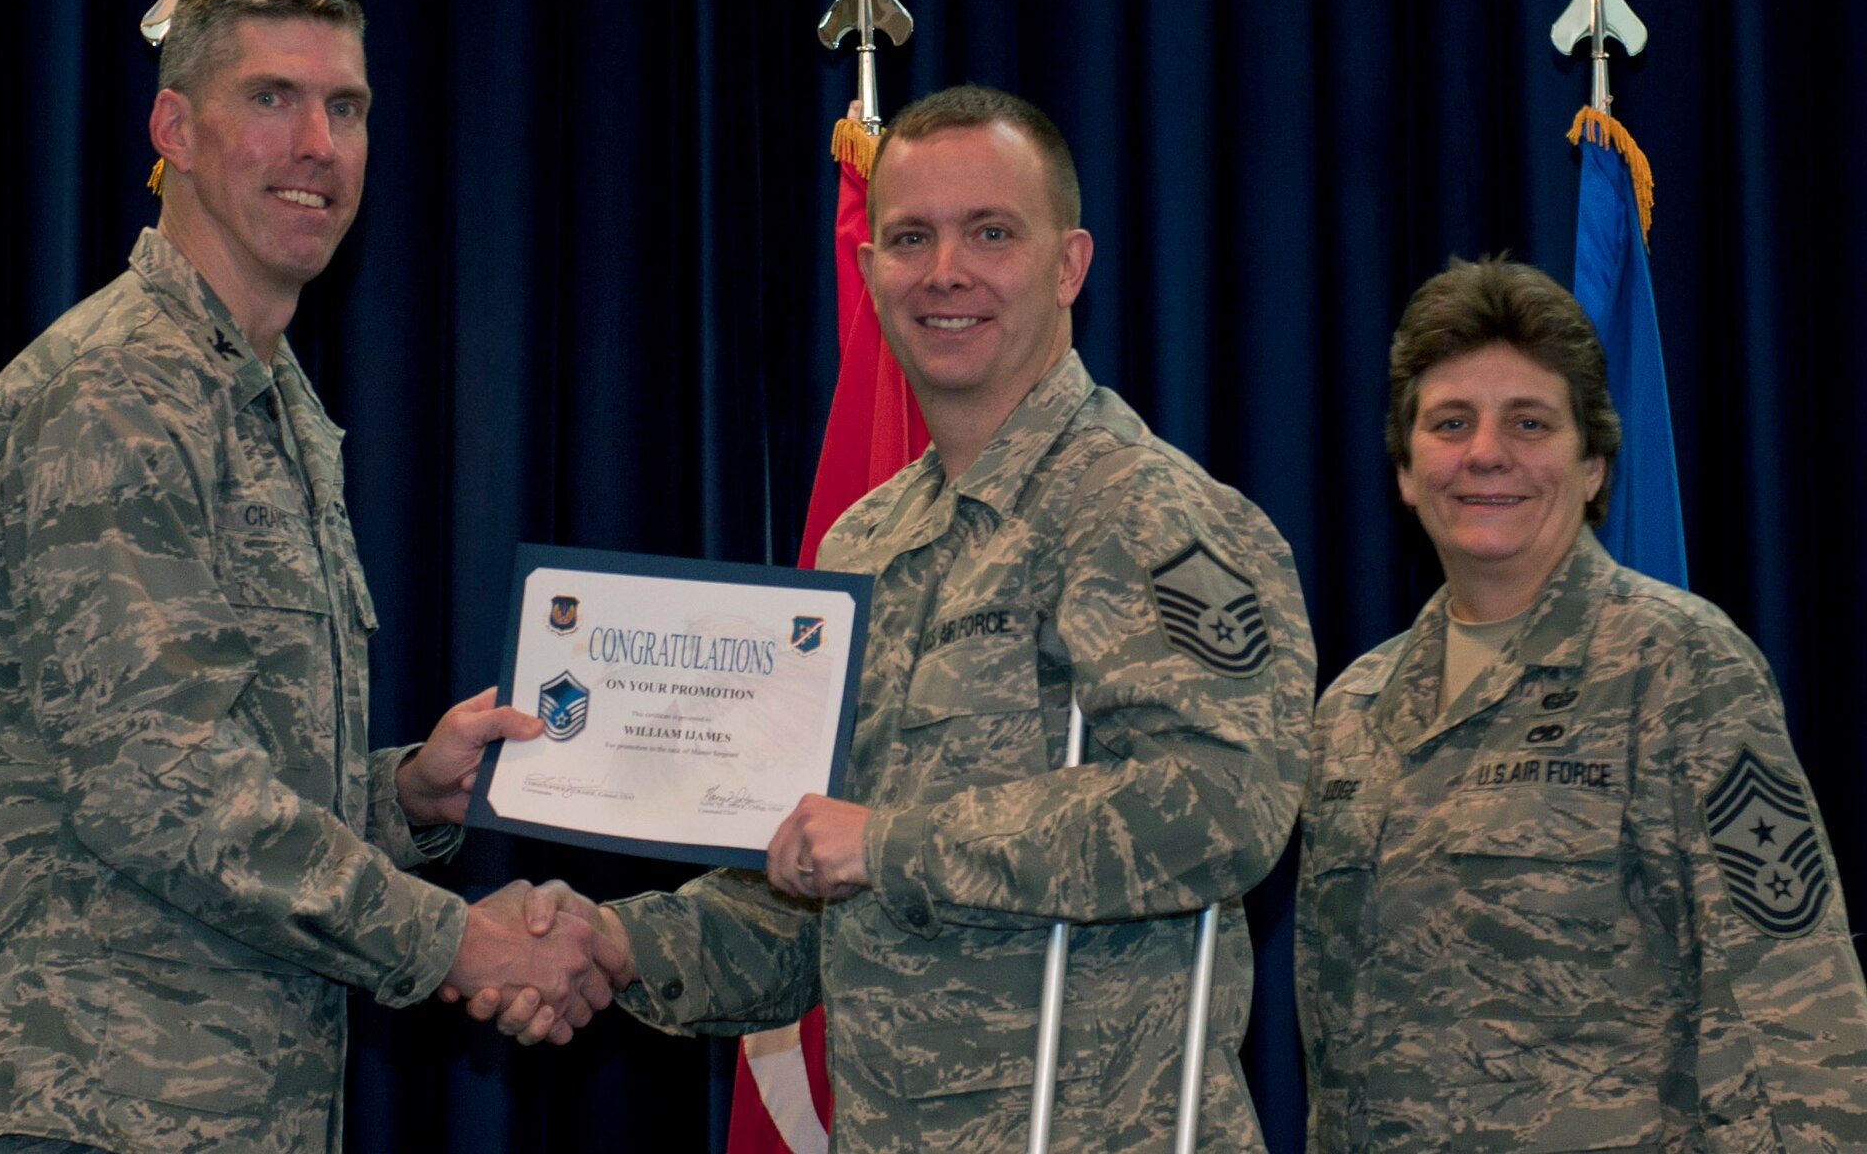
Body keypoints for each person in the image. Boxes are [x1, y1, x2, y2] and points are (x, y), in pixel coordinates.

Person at [475, 85, 1315, 1151]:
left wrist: (897, 843)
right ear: (870, 271)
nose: (944, 271)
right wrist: (612, 942)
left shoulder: (1157, 518)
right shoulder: (861, 543)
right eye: (909, 237)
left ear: (1068, 264)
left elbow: (1226, 805)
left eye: (990, 233)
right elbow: (808, 887)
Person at [0, 0, 615, 1154]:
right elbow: (160, 782)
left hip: (228, 1108)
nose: (317, 144)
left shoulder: (268, 400)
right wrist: (453, 939)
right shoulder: (115, 394)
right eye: (272, 99)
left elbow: (231, 768)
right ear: (174, 127)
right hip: (80, 1100)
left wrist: (402, 794)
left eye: (346, 108)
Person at [1295, 257, 1867, 1151]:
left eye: (1529, 422)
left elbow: (1793, 1003)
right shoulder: (1352, 711)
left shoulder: (1680, 667)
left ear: (1593, 465)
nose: (1486, 452)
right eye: (1450, 423)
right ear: (1406, 470)